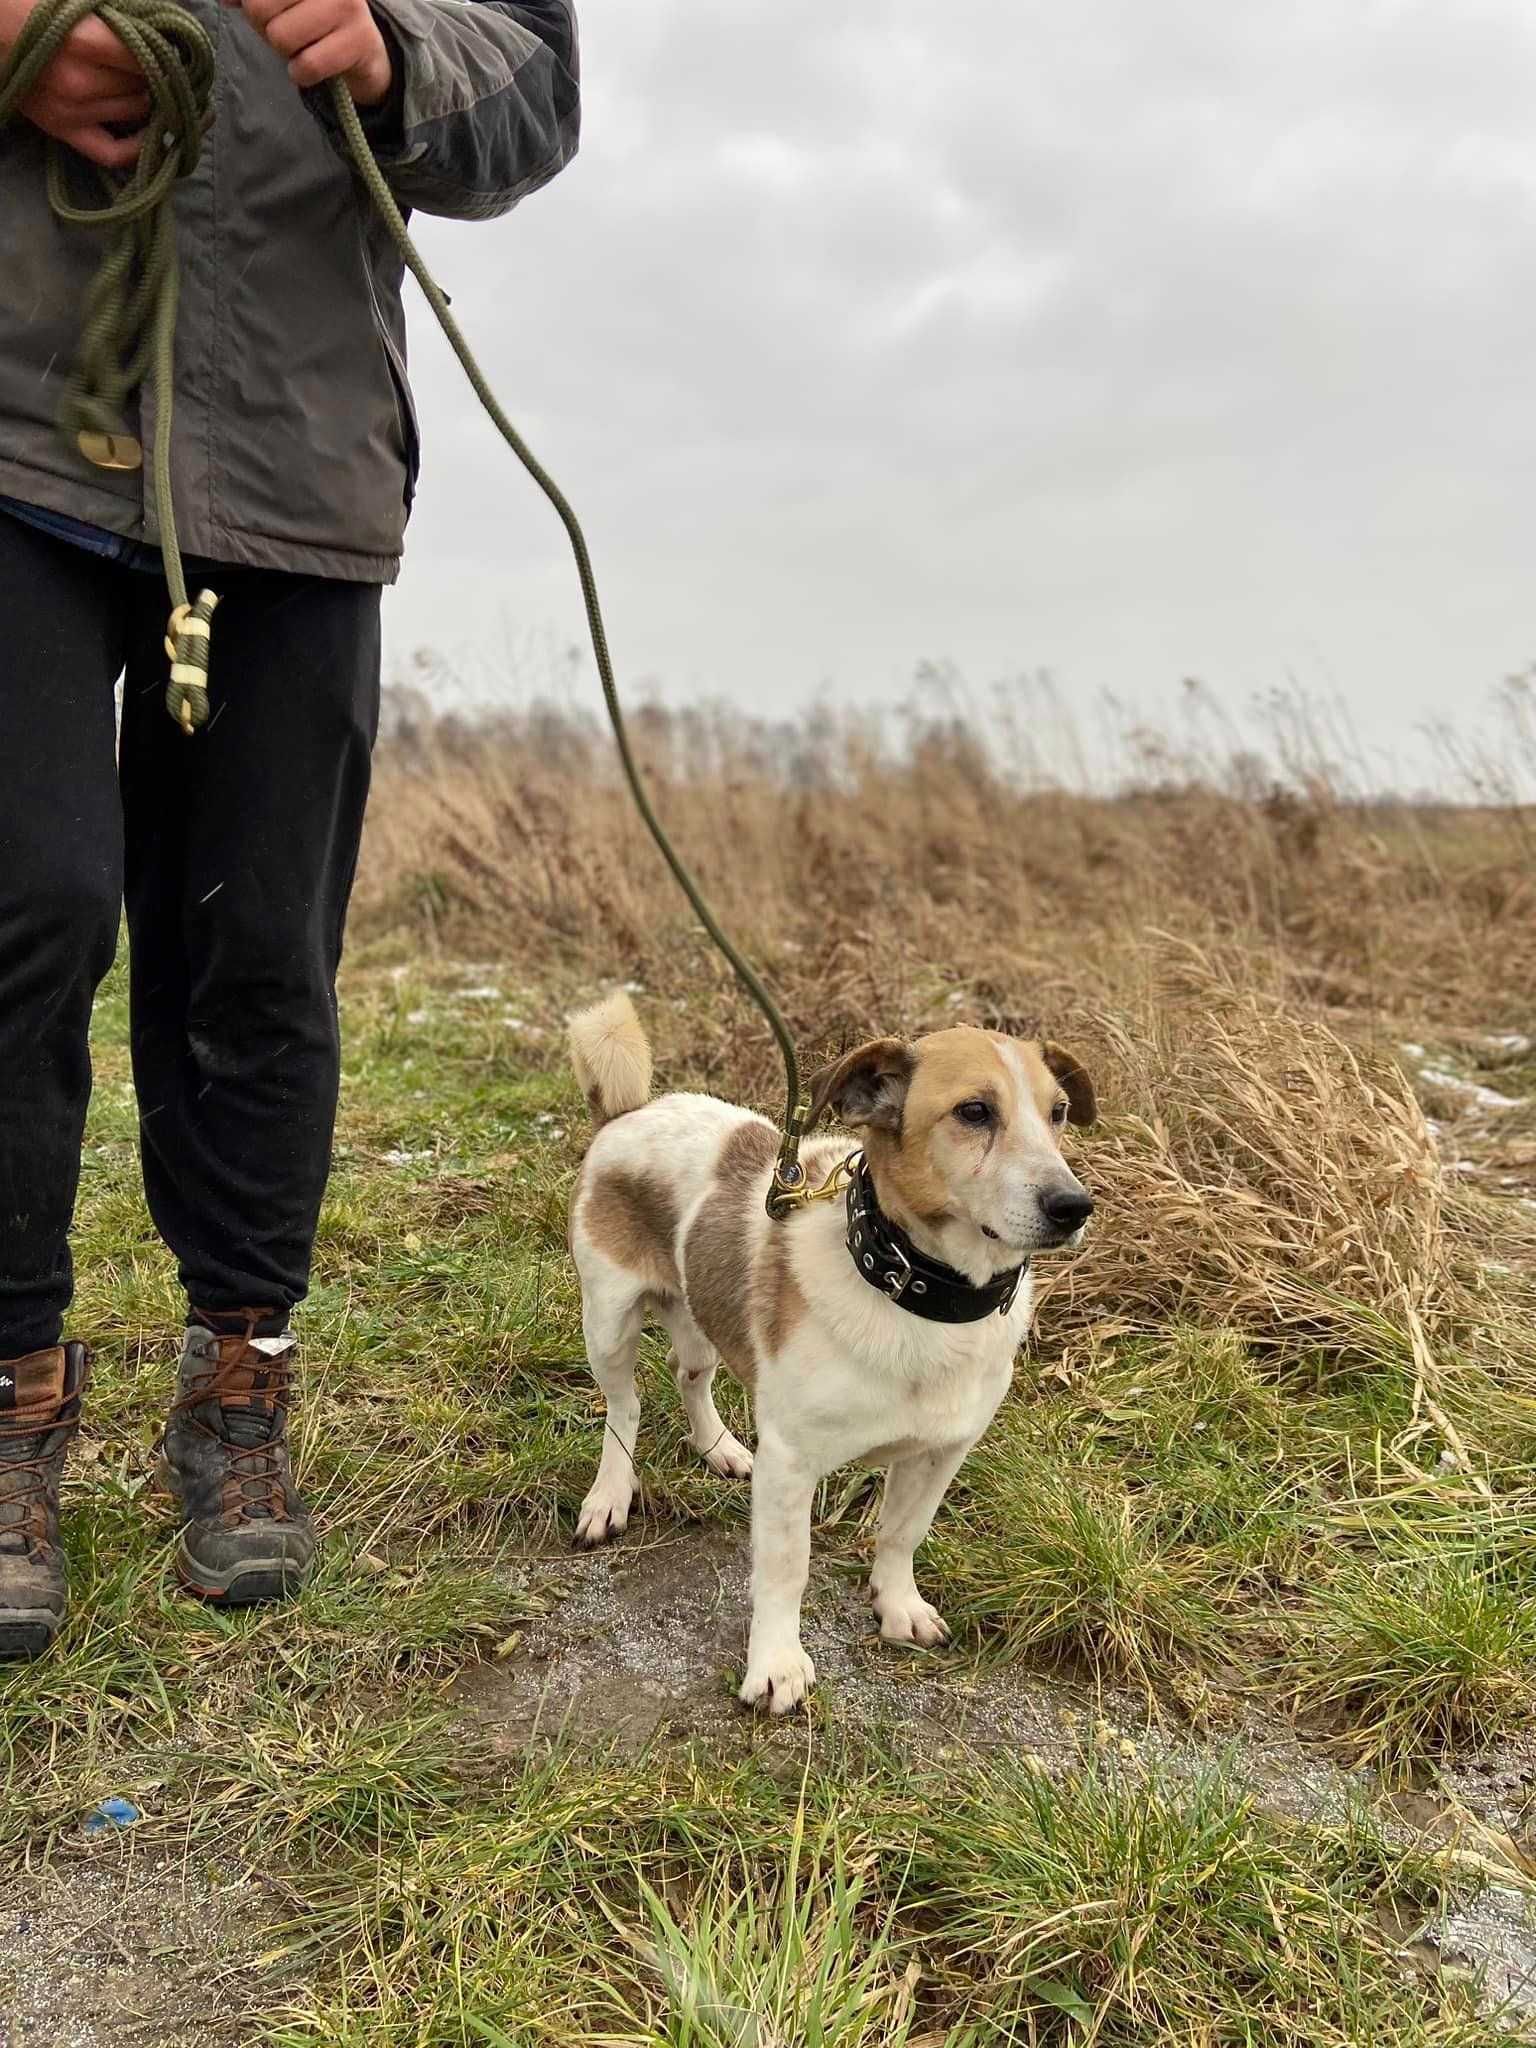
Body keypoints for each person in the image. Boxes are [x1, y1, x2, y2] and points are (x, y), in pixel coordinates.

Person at [0, 0, 579, 1654]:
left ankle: (239, 1374)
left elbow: (536, 87)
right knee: (24, 904)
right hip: (16, 429)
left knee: (260, 938)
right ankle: (8, 1391)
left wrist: (398, 46)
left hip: (302, 463)